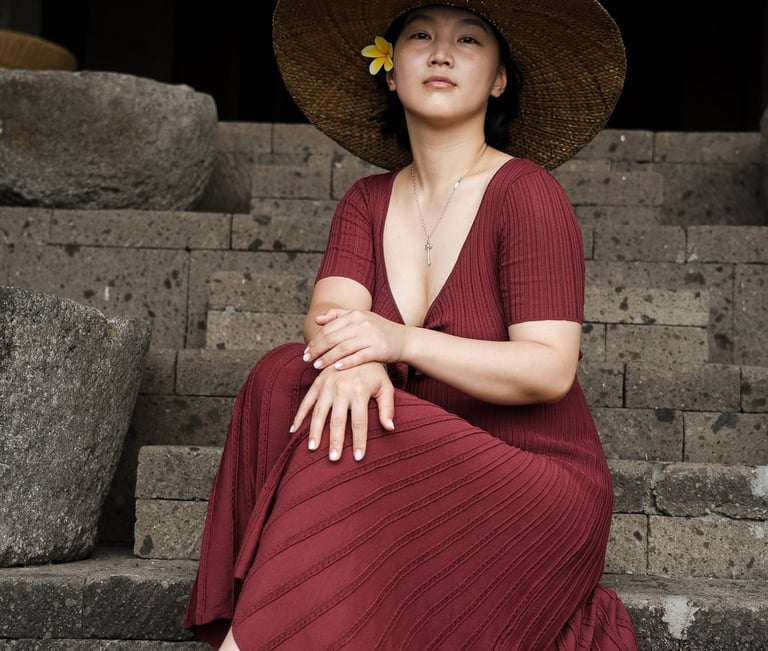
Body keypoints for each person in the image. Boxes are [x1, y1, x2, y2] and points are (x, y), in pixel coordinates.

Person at [184, 0, 638, 648]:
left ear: (500, 78)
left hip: (532, 477)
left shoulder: (528, 192)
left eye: (469, 39)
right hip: (408, 450)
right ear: (391, 70)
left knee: (353, 412)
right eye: (420, 35)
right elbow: (328, 321)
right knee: (283, 374)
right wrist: (363, 356)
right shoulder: (366, 202)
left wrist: (396, 341)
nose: (442, 52)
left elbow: (550, 367)